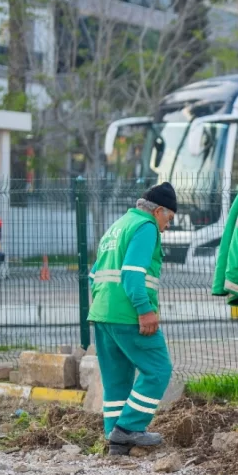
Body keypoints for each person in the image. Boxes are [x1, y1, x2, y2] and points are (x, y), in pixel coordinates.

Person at [88, 183, 177, 455]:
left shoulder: (119, 225)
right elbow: (132, 273)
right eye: (169, 219)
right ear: (158, 211)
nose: (167, 226)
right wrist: (144, 310)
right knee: (158, 369)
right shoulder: (146, 226)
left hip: (103, 313)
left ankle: (115, 440)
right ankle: (129, 428)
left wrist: (105, 307)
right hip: (129, 314)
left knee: (117, 378)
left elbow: (93, 274)